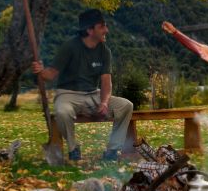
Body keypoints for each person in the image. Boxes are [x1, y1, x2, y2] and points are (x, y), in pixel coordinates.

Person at [32, 9, 133, 161]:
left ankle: (112, 151)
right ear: (89, 30)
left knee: (126, 106)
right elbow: (51, 74)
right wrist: (40, 71)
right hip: (68, 94)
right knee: (62, 112)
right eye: (102, 26)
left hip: (93, 94)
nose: (107, 30)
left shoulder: (104, 51)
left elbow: (106, 81)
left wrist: (104, 102)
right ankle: (73, 148)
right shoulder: (69, 47)